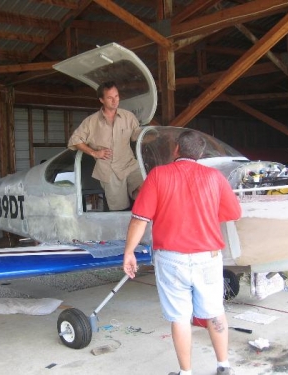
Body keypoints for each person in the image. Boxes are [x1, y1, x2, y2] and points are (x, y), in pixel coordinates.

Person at [123, 130, 242, 375]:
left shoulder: (158, 175)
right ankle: (223, 366)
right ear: (200, 153)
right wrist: (206, 217)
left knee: (179, 317)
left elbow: (139, 219)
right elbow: (234, 213)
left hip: (172, 259)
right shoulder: (214, 177)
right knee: (215, 312)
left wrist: (129, 252)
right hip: (208, 258)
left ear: (176, 149)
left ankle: (186, 372)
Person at [68, 81, 143, 211]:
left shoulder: (129, 117)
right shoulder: (91, 121)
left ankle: (142, 226)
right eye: (110, 98)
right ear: (101, 100)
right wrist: (94, 153)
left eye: (117, 96)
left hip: (129, 164)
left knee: (145, 192)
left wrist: (153, 135)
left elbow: (137, 136)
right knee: (120, 209)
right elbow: (74, 140)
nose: (115, 101)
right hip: (109, 171)